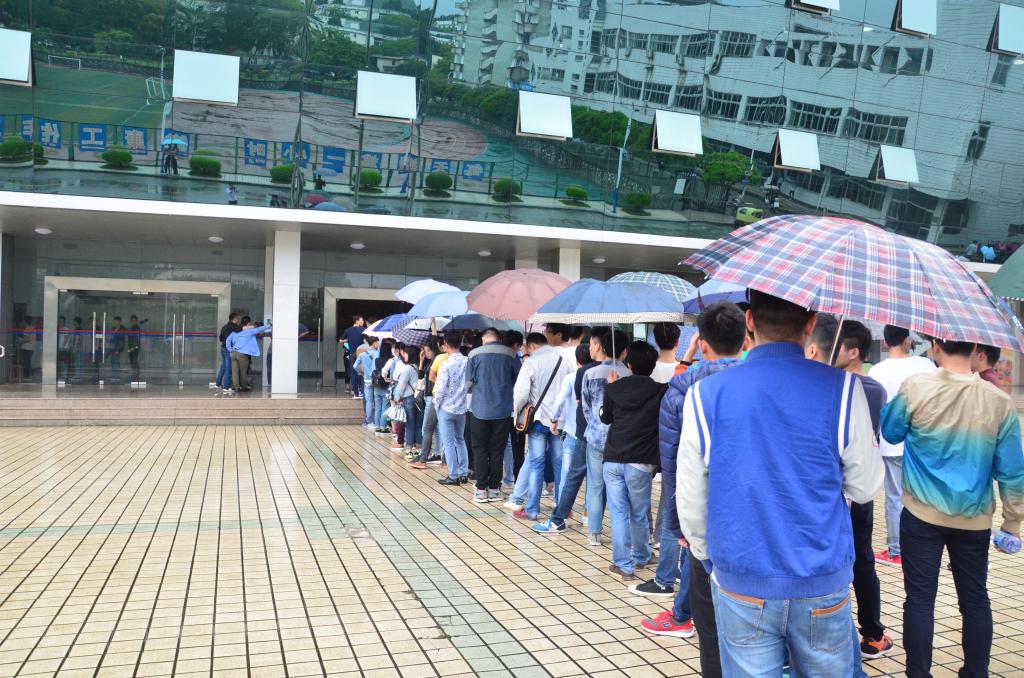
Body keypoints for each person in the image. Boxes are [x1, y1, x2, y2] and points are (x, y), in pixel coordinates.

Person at [677, 290, 883, 677]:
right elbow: (865, 486)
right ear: (810, 323)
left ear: (749, 321)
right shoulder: (845, 390)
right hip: (821, 577)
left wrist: (708, 557)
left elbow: (690, 494)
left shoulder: (704, 394)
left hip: (740, 576)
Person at [881, 337, 1024, 678]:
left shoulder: (916, 387)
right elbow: (1012, 471)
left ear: (935, 345)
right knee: (975, 599)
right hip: (974, 519)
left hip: (920, 514)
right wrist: (1012, 524)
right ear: (975, 349)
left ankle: (918, 673)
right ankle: (976, 672)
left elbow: (891, 432)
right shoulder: (999, 402)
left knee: (919, 600)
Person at [639, 301, 746, 678]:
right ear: (745, 338)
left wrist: (676, 524)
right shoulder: (758, 379)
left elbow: (672, 462)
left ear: (701, 342)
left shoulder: (684, 386)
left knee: (710, 628)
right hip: (750, 515)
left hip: (701, 512)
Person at [806, 317, 894, 660]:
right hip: (858, 487)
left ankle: (840, 635)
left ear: (853, 351)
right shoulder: (873, 389)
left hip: (831, 489)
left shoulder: (847, 387)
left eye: (836, 346)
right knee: (862, 559)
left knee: (844, 562)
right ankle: (872, 633)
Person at [868, 325, 936, 566]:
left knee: (895, 497)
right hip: (921, 442)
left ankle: (896, 551)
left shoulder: (877, 370)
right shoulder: (925, 365)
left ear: (885, 343)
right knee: (923, 496)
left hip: (889, 443)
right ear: (907, 340)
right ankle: (924, 548)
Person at [599, 341, 665, 581]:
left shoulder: (615, 387)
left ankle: (623, 565)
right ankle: (642, 555)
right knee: (639, 512)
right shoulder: (660, 391)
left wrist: (611, 388)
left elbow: (605, 418)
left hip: (613, 458)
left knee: (618, 512)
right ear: (653, 365)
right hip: (641, 460)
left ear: (629, 365)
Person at [531, 344, 594, 534]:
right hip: (595, 435)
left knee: (567, 475)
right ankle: (588, 515)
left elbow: (559, 401)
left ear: (577, 360)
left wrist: (554, 420)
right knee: (593, 477)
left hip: (574, 432)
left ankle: (561, 514)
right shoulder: (599, 376)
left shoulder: (572, 377)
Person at [511, 332, 574, 520]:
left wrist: (518, 414)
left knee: (536, 464)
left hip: (538, 420)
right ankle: (562, 508)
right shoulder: (564, 361)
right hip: (559, 421)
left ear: (531, 346)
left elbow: (521, 393)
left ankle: (532, 510)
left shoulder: (531, 363)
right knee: (560, 464)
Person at [579, 328, 631, 544]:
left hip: (596, 437)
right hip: (622, 438)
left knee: (594, 485)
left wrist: (595, 423)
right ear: (624, 350)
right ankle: (625, 532)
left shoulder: (590, 374)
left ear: (602, 347)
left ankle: (594, 533)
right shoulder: (630, 374)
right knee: (622, 486)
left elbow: (586, 406)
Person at [466, 329, 520, 503]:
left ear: (484, 339)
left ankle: (481, 490)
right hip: (503, 410)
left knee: (479, 449)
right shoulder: (511, 354)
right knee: (497, 449)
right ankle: (495, 489)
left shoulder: (474, 354)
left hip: (479, 410)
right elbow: (519, 380)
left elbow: (468, 382)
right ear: (499, 338)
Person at [433, 331, 470, 485]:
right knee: (460, 440)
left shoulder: (446, 364)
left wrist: (436, 405)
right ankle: (464, 473)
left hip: (446, 408)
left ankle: (453, 475)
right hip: (461, 408)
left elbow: (440, 388)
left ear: (446, 345)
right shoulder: (468, 361)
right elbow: (470, 382)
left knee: (448, 443)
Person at [225, 316, 272, 393]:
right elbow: (260, 329)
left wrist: (230, 350)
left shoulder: (235, 331)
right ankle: (244, 386)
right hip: (242, 354)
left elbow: (227, 340)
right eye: (250, 323)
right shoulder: (249, 331)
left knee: (235, 371)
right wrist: (269, 325)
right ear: (248, 323)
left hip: (234, 353)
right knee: (243, 371)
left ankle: (236, 386)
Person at [391, 345, 422, 453]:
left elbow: (401, 385)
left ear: (411, 355)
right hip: (418, 399)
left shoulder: (407, 368)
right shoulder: (417, 367)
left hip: (408, 399)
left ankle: (409, 447)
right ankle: (419, 446)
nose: (404, 355)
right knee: (418, 424)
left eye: (406, 353)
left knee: (409, 424)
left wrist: (396, 398)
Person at [355, 336, 380, 428]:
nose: (378, 344)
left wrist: (361, 372)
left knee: (369, 401)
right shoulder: (377, 353)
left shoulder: (362, 354)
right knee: (377, 401)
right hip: (376, 380)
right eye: (377, 342)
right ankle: (377, 422)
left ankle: (369, 422)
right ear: (374, 343)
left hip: (367, 380)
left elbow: (355, 366)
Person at [372, 339, 395, 434]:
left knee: (378, 407)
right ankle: (383, 427)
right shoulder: (391, 361)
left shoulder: (377, 360)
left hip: (377, 385)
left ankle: (377, 426)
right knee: (385, 407)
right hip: (386, 385)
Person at [342, 316, 367, 398]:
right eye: (361, 320)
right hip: (361, 353)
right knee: (362, 373)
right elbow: (366, 341)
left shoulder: (348, 330)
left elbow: (341, 340)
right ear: (357, 321)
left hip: (352, 353)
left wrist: (348, 341)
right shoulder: (364, 330)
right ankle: (362, 392)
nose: (363, 321)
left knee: (353, 373)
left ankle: (355, 393)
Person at [216, 313, 240, 390]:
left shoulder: (224, 327)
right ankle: (226, 387)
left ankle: (218, 383)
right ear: (234, 319)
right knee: (228, 368)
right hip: (229, 349)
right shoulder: (235, 327)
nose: (238, 320)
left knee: (224, 366)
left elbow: (220, 338)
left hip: (223, 348)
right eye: (237, 318)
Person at [107, 316, 125, 382]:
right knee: (112, 362)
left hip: (116, 348)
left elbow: (121, 341)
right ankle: (114, 375)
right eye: (114, 321)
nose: (114, 322)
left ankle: (117, 376)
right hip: (112, 347)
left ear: (119, 322)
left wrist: (118, 349)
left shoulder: (122, 329)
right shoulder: (113, 328)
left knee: (116, 362)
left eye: (116, 321)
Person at [127, 315, 143, 382]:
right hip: (132, 347)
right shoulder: (132, 327)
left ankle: (136, 376)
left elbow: (136, 339)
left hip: (134, 347)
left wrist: (133, 348)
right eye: (131, 320)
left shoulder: (136, 328)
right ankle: (135, 376)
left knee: (134, 360)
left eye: (134, 320)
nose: (132, 321)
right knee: (132, 360)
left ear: (136, 321)